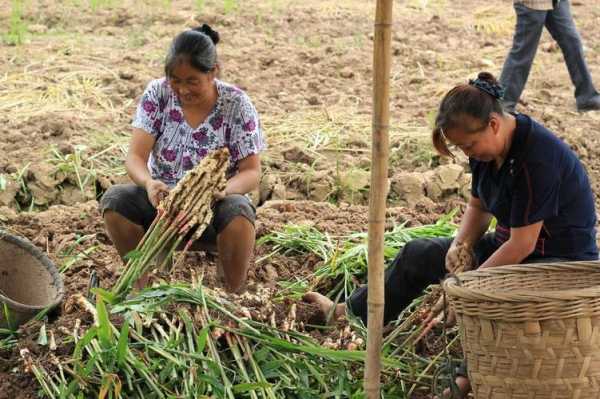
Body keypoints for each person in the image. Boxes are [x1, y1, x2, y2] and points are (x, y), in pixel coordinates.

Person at [304, 72, 598, 398]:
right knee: (419, 253)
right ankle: (348, 314)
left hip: (556, 265)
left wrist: (465, 289)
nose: (468, 154)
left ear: (494, 125)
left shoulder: (536, 158)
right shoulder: (487, 153)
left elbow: (522, 244)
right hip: (510, 250)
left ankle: (464, 381)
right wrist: (462, 243)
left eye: (469, 145)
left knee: (494, 309)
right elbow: (479, 206)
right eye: (461, 149)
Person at [100, 24, 265, 293]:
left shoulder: (237, 104)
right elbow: (135, 157)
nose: (182, 90)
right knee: (116, 201)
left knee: (239, 210)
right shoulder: (158, 94)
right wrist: (149, 183)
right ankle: (142, 286)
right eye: (175, 80)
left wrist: (221, 190)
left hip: (212, 208)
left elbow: (251, 172)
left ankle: (233, 293)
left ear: (213, 72)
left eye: (192, 81)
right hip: (164, 205)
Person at [500, 0, 600, 112]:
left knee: (572, 41)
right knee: (523, 52)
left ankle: (588, 98)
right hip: (533, 3)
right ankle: (503, 105)